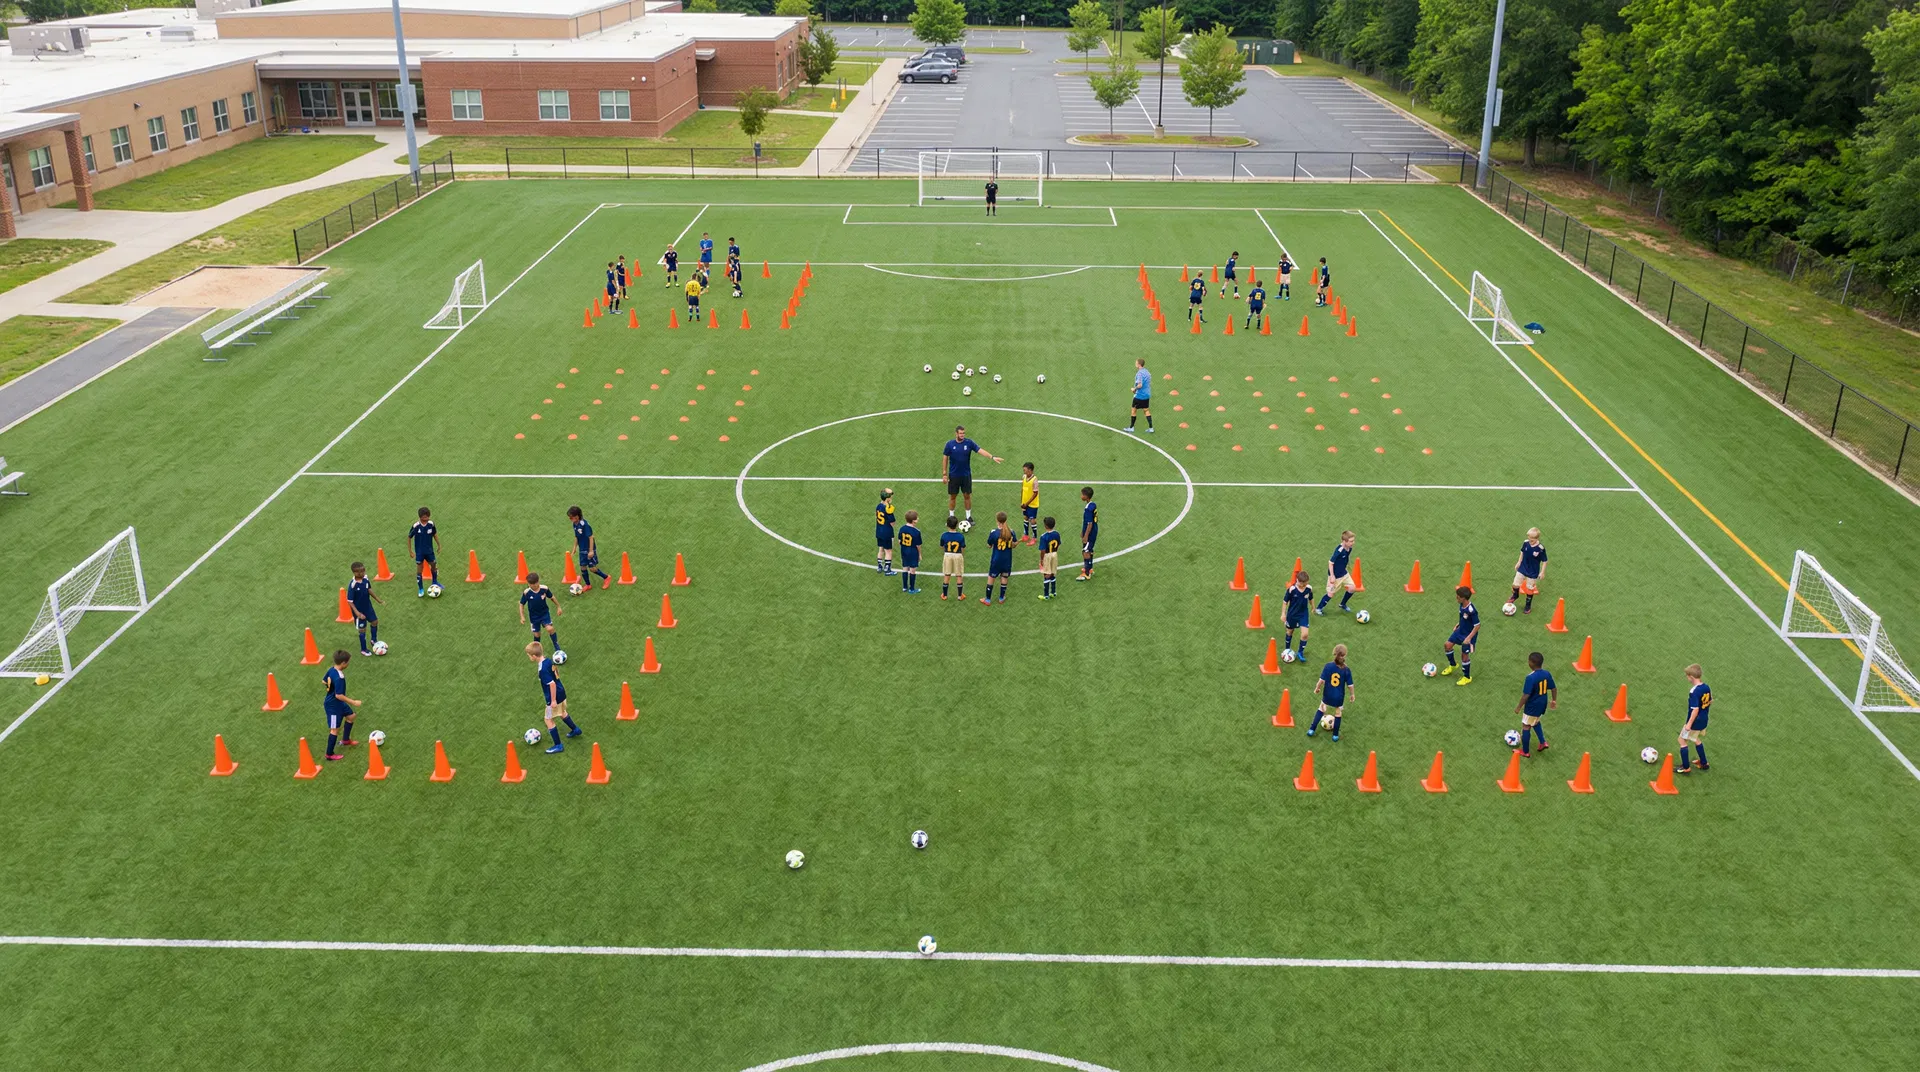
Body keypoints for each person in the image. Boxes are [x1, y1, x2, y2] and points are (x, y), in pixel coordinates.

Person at [529, 641, 582, 754]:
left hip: (554, 697)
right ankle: (575, 729)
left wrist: (552, 700)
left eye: (529, 655)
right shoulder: (548, 660)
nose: (529, 657)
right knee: (562, 712)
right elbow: (556, 672)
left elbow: (551, 684)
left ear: (534, 656)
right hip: (561, 691)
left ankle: (558, 745)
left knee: (548, 719)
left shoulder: (542, 669)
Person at [941, 424, 1002, 520]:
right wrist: (944, 474)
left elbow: (980, 450)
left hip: (966, 475)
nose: (962, 435)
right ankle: (951, 517)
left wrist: (992, 457)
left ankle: (968, 517)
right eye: (960, 433)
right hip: (954, 476)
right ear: (956, 434)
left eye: (963, 433)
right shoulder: (949, 444)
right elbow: (945, 458)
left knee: (967, 495)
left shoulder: (969, 443)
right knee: (953, 496)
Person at [1307, 643, 1354, 741]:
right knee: (1338, 713)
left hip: (1328, 694)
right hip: (1339, 697)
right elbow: (1350, 685)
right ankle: (1335, 735)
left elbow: (1321, 680)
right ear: (1344, 655)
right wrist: (1352, 694)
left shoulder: (1328, 666)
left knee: (1321, 708)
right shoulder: (1346, 670)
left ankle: (1312, 729)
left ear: (1334, 654)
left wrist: (1317, 688)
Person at [1514, 651, 1556, 756]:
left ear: (1531, 663)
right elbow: (1554, 688)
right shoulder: (1546, 674)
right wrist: (1554, 700)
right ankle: (1543, 742)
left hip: (1532, 705)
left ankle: (1525, 751)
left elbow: (1526, 695)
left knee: (1526, 725)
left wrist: (1519, 707)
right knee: (1536, 721)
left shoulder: (1530, 677)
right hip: (1542, 704)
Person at [322, 649, 360, 761]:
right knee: (334, 729)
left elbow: (324, 681)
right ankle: (329, 754)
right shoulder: (340, 678)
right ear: (343, 663)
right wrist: (354, 702)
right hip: (333, 706)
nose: (348, 664)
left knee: (351, 716)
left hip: (338, 703)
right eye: (348, 662)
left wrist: (330, 689)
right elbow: (339, 695)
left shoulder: (332, 669)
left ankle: (345, 740)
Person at [1440, 584, 1479, 686]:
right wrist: (1459, 624)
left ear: (1464, 598)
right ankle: (1453, 665)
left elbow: (1477, 625)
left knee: (1464, 656)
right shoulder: (1461, 605)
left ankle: (1467, 677)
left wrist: (1469, 638)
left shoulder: (1472, 610)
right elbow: (1463, 617)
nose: (1456, 598)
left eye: (1458, 597)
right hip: (1460, 630)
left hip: (1469, 635)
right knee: (1447, 645)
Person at [1677, 664, 1712, 774]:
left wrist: (1688, 725)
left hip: (1695, 721)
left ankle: (1686, 767)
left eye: (1687, 676)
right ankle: (1704, 763)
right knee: (1695, 738)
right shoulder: (1706, 687)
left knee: (1682, 740)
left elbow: (1695, 709)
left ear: (1691, 677)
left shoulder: (1694, 691)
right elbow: (1710, 701)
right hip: (1704, 719)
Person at [567, 506, 612, 590]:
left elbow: (591, 537)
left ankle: (606, 577)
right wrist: (574, 549)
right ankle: (588, 585)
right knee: (583, 567)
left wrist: (591, 551)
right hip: (582, 550)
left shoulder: (585, 525)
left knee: (592, 568)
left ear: (577, 516)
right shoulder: (575, 524)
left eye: (571, 517)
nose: (570, 519)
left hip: (589, 550)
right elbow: (576, 537)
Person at [519, 571, 563, 652]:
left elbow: (552, 597)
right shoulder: (527, 593)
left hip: (544, 614)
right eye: (531, 584)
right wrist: (522, 616)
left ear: (538, 581)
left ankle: (556, 645)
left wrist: (558, 607)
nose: (534, 585)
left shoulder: (544, 589)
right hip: (534, 617)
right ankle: (536, 651)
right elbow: (521, 604)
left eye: (535, 583)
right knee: (537, 635)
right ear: (528, 584)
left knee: (550, 629)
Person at [1315, 531, 1356, 615]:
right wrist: (1332, 576)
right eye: (1351, 541)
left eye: (1353, 541)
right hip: (1335, 576)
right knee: (1330, 594)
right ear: (1344, 541)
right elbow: (1330, 562)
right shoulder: (1339, 550)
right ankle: (1318, 609)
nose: (1353, 543)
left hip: (1344, 573)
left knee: (1352, 588)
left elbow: (1346, 557)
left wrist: (1348, 564)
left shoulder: (1349, 548)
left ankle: (1342, 604)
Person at [347, 561, 383, 656]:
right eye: (359, 572)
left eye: (363, 571)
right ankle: (363, 649)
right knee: (362, 629)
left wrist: (377, 599)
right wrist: (357, 613)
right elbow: (350, 601)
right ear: (354, 573)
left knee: (374, 622)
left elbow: (369, 589)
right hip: (359, 611)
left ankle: (373, 640)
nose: (362, 573)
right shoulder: (353, 585)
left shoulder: (366, 580)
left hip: (368, 607)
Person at [1510, 527, 1548, 614]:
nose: (1530, 540)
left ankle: (1527, 606)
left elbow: (1545, 560)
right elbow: (1522, 552)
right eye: (1529, 538)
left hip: (1533, 571)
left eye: (1532, 539)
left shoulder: (1540, 548)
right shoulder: (1526, 543)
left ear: (1537, 538)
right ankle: (1515, 595)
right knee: (1515, 584)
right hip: (1523, 567)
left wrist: (1542, 572)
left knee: (1529, 589)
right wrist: (1519, 562)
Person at [982, 512, 1016, 605]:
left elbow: (989, 545)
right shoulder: (1011, 532)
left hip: (996, 560)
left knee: (991, 577)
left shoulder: (994, 533)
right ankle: (1001, 598)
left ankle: (988, 599)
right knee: (1004, 577)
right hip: (1007, 560)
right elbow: (1013, 545)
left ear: (997, 521)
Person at [1282, 569, 1313, 662]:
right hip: (1292, 614)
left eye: (1304, 583)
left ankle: (1300, 652)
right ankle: (1287, 649)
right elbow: (1285, 602)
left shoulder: (1309, 589)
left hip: (1303, 614)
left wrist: (1313, 607)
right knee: (1289, 632)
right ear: (1297, 580)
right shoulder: (1292, 589)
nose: (1302, 585)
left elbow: (1311, 598)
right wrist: (1283, 613)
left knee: (1305, 634)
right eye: (1300, 583)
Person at [409, 506, 439, 597]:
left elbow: (434, 534)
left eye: (428, 517)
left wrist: (439, 545)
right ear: (420, 517)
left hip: (429, 551)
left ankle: (434, 582)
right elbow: (409, 537)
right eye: (425, 517)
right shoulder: (416, 526)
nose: (426, 519)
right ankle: (421, 589)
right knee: (419, 570)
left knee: (433, 564)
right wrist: (410, 551)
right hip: (420, 552)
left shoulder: (431, 524)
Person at [940, 515, 966, 601]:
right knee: (959, 575)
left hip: (947, 555)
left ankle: (944, 595)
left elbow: (941, 546)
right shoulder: (960, 536)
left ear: (947, 525)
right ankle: (959, 596)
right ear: (957, 525)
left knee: (947, 575)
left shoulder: (944, 535)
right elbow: (963, 548)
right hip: (957, 555)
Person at [1126, 357, 1154, 434]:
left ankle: (1131, 427)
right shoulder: (1147, 372)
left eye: (1136, 363)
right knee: (1146, 410)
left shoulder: (1139, 373)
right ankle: (1151, 428)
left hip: (1139, 396)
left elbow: (1140, 385)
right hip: (1147, 394)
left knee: (1133, 410)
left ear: (1138, 364)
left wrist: (1134, 389)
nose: (1135, 364)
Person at [898, 510, 923, 594]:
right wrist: (919, 554)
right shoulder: (916, 532)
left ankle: (904, 587)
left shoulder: (902, 528)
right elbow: (918, 545)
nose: (918, 519)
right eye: (917, 518)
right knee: (912, 570)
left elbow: (899, 541)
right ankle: (912, 589)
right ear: (913, 521)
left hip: (904, 551)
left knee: (905, 568)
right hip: (912, 552)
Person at [1076, 486, 1098, 581]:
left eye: (1082, 495)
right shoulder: (1093, 505)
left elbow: (1089, 523)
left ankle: (1087, 573)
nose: (1081, 496)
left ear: (1086, 496)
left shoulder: (1088, 509)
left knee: (1085, 551)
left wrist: (1085, 535)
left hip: (1090, 533)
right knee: (1089, 549)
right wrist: (1082, 531)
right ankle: (1090, 568)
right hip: (1093, 531)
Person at [1037, 516, 1061, 600]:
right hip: (1054, 554)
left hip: (1047, 555)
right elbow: (1059, 544)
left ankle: (1046, 595)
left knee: (1046, 574)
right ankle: (1053, 592)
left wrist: (1041, 560)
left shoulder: (1043, 536)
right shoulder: (1057, 534)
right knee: (1053, 572)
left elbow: (1042, 550)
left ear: (1045, 526)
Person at [874, 488, 896, 575]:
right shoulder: (888, 509)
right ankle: (888, 569)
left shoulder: (878, 506)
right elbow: (893, 523)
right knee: (888, 551)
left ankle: (879, 566)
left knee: (881, 549)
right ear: (888, 498)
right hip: (887, 532)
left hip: (879, 531)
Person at [1018, 463, 1040, 543]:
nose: (1024, 472)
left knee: (1032, 519)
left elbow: (1035, 493)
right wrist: (1022, 501)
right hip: (1024, 503)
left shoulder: (1034, 480)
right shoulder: (1024, 477)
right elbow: (1022, 489)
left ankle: (1034, 537)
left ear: (1030, 470)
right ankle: (1026, 535)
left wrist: (1027, 503)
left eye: (1025, 470)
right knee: (1026, 517)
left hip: (1032, 504)